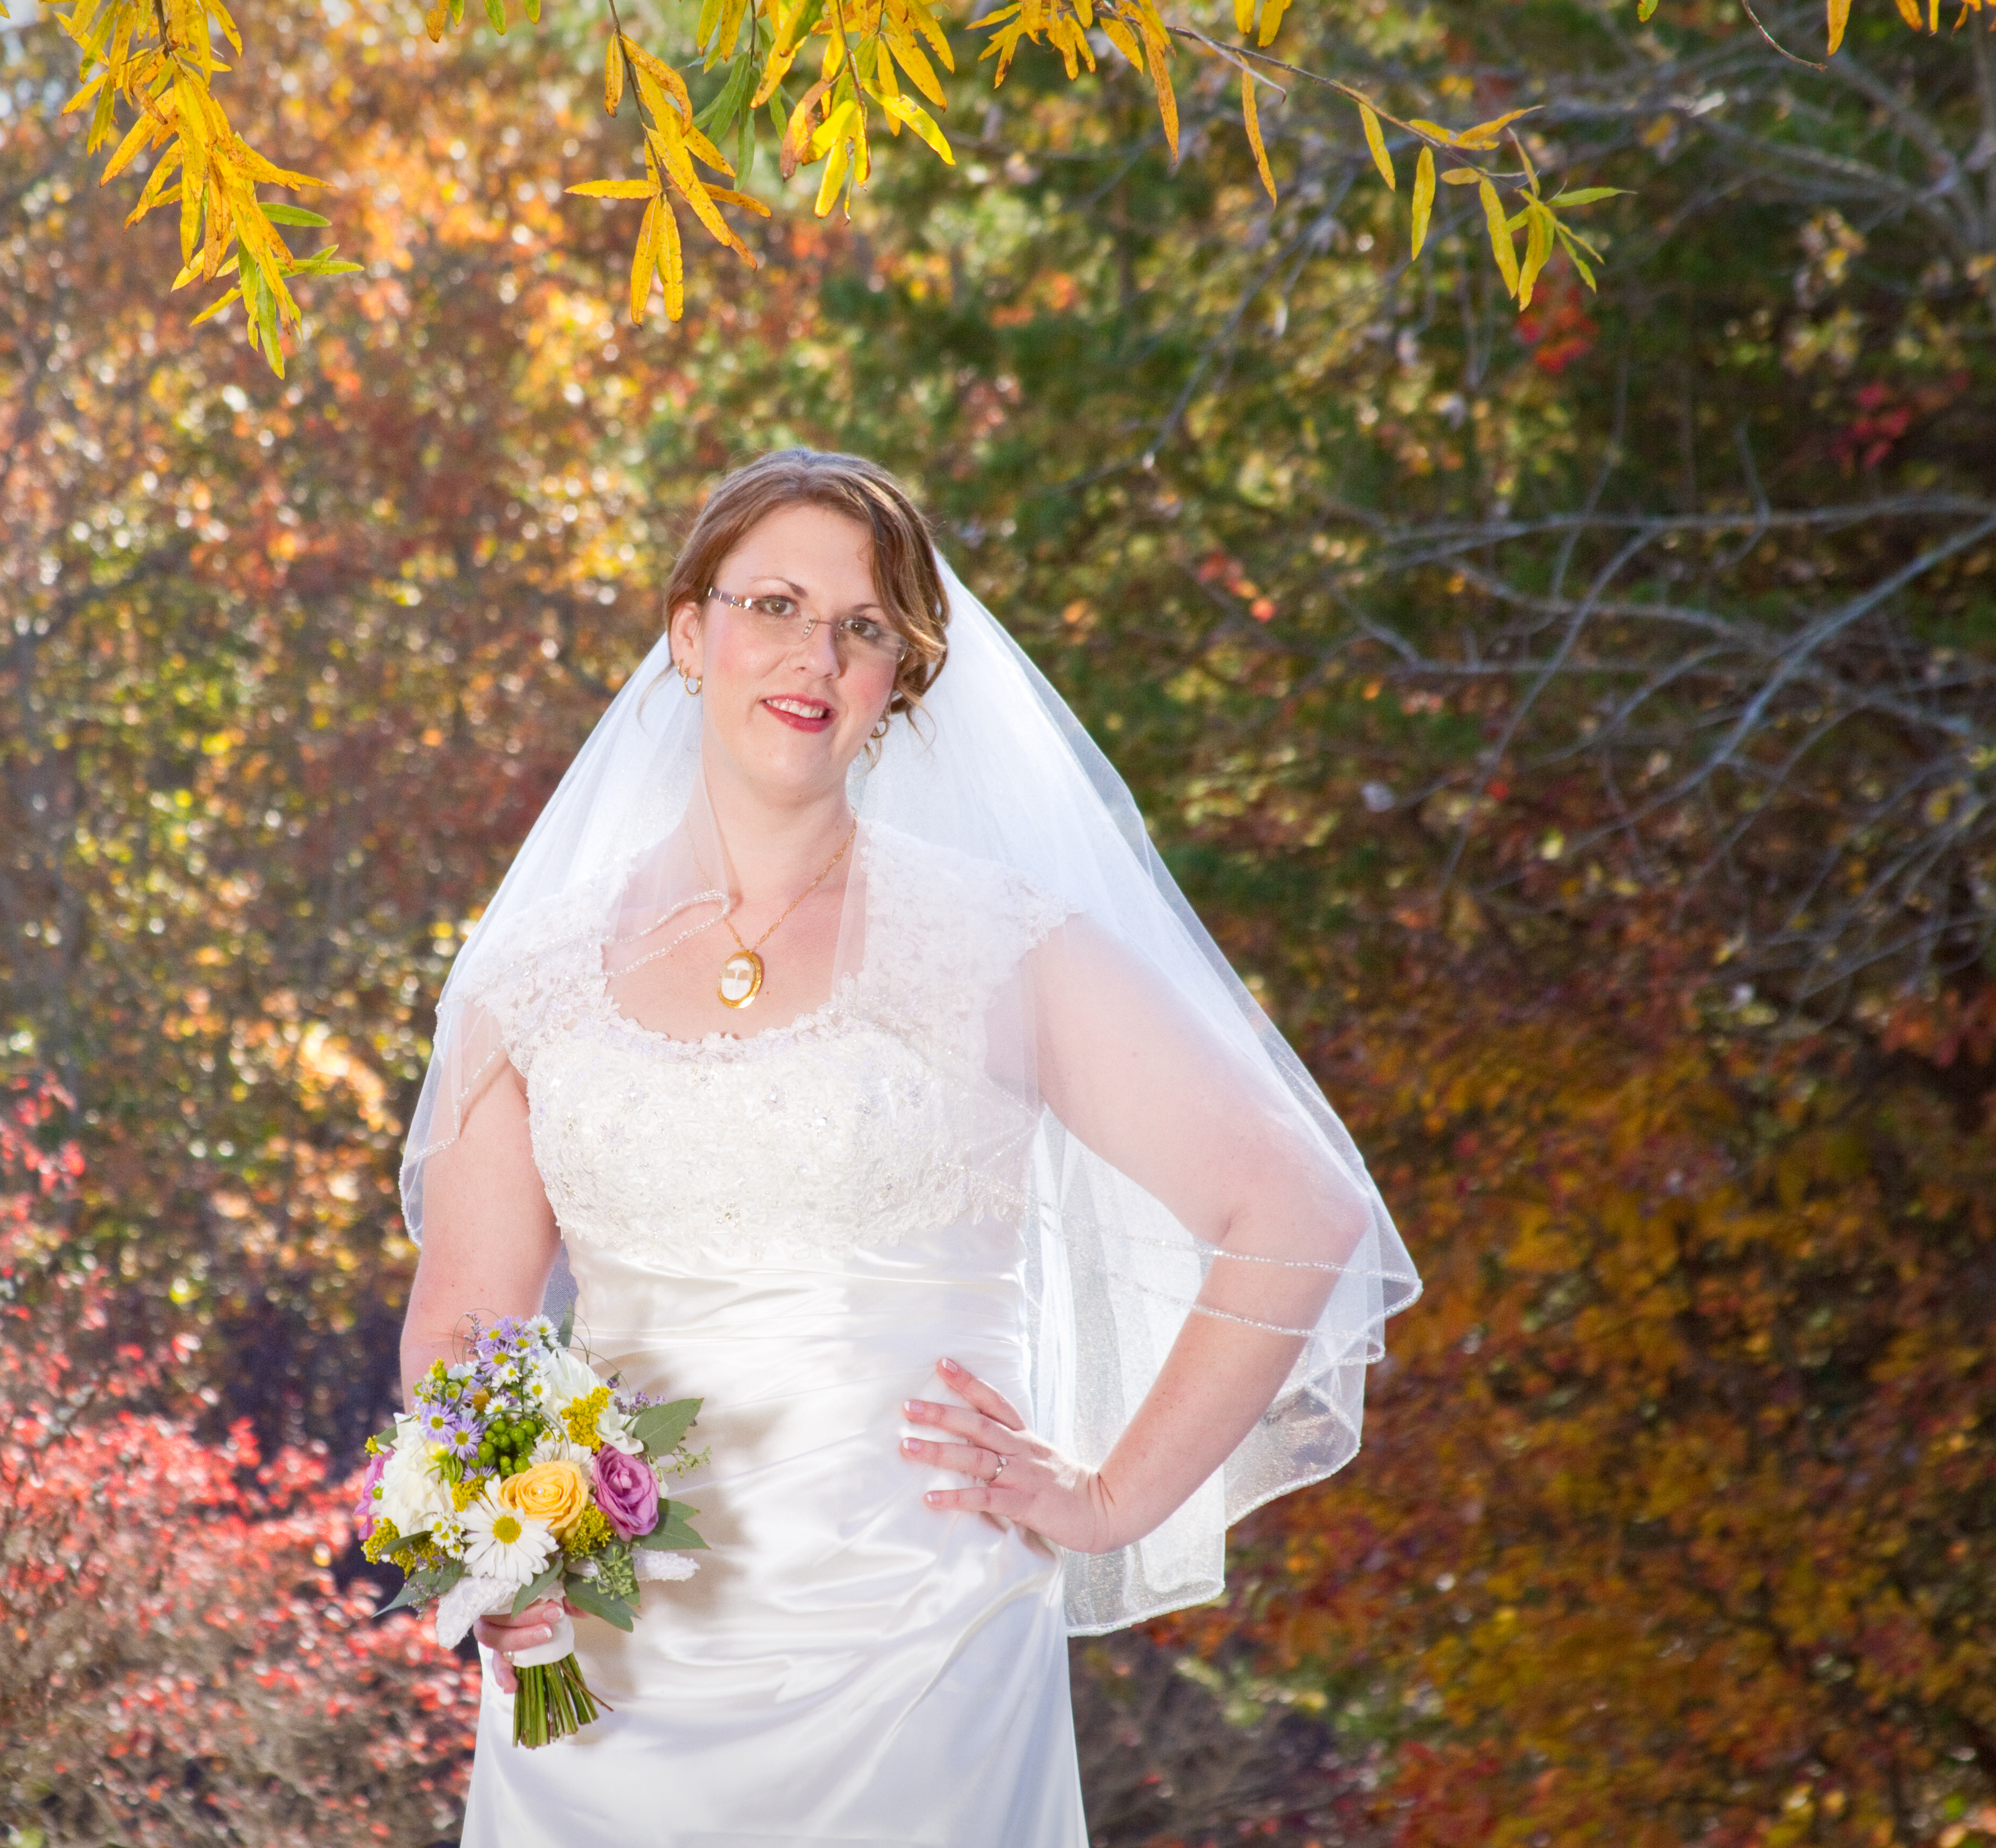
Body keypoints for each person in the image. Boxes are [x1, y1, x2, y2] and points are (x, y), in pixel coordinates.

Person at [397, 451, 1420, 1844]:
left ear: (903, 681)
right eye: (773, 604)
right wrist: (503, 1554)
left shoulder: (998, 944)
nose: (814, 653)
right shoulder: (534, 977)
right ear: (689, 633)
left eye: (865, 627)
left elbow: (1298, 1208)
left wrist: (1111, 1497)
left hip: (920, 1648)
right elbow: (464, 1319)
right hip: (611, 1676)